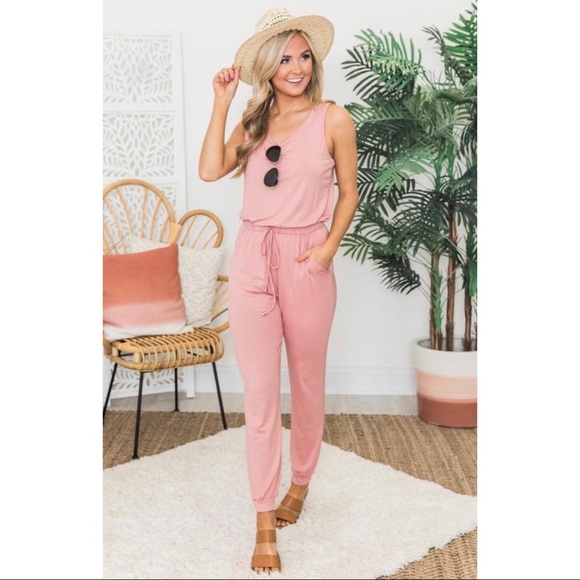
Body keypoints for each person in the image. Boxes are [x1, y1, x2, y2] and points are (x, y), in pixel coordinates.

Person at [199, 6, 359, 574]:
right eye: (285, 58)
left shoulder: (333, 118)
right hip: (253, 259)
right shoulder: (255, 119)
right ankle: (263, 517)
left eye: (304, 56)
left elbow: (349, 192)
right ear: (267, 66)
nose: (296, 67)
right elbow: (210, 170)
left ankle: (301, 481)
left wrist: (327, 249)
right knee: (262, 394)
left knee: (307, 383)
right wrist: (221, 104)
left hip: (306, 258)